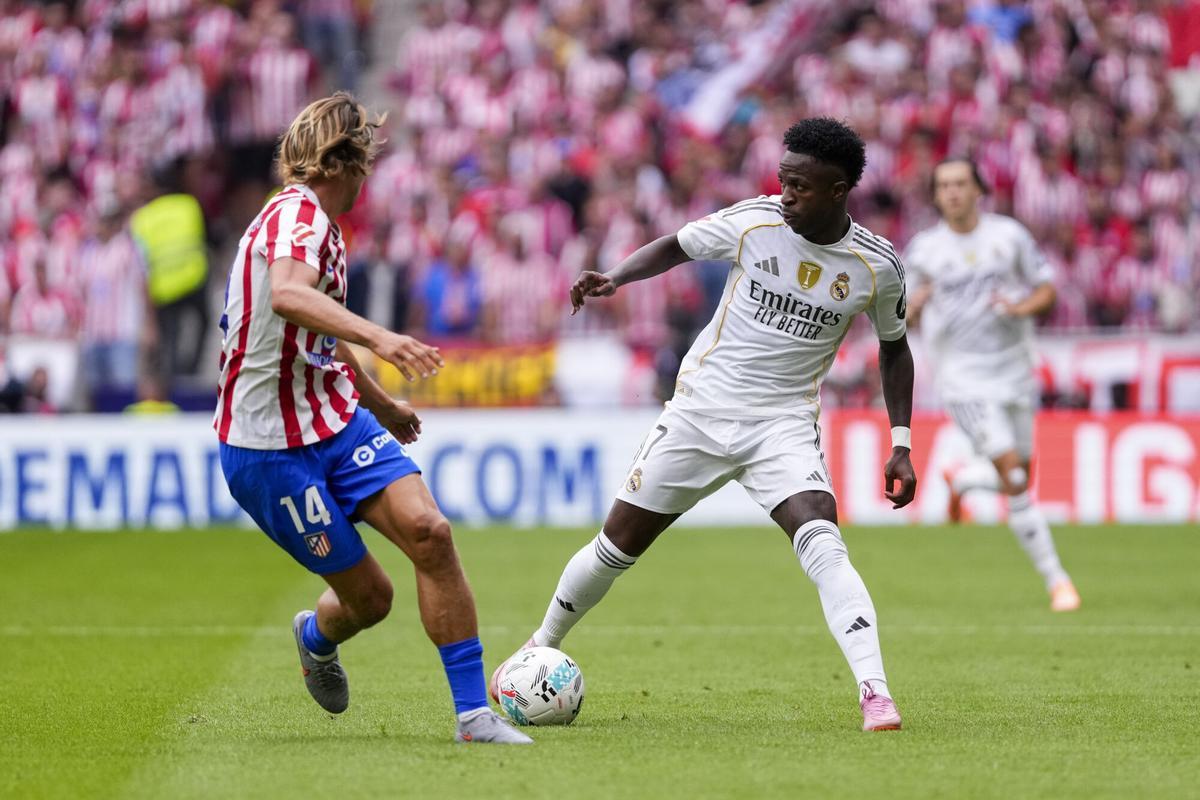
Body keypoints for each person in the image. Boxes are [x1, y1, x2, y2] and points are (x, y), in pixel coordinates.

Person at [493, 118, 917, 732]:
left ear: (839, 189)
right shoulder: (756, 221)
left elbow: (895, 347)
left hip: (782, 424)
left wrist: (900, 442)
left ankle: (875, 692)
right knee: (615, 548)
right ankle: (540, 644)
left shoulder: (877, 267)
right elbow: (678, 243)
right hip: (698, 412)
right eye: (783, 181)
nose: (786, 194)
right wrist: (615, 276)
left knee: (821, 537)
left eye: (801, 186)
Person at [213, 92, 531, 745]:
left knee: (431, 533)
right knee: (371, 601)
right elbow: (289, 296)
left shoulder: (322, 229)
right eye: (366, 163)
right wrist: (384, 340)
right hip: (268, 449)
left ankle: (474, 716)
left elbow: (315, 336)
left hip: (334, 419)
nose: (369, 177)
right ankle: (314, 636)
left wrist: (381, 405)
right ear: (344, 161)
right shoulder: (297, 218)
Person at [904, 157, 1080, 612]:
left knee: (1020, 471)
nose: (954, 192)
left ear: (979, 189)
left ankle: (963, 480)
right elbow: (898, 314)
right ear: (937, 195)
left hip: (1016, 371)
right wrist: (914, 307)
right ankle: (1058, 581)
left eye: (961, 183)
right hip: (964, 378)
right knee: (1016, 476)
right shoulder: (924, 251)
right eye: (944, 186)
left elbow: (1046, 288)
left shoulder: (1009, 236)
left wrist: (1021, 309)